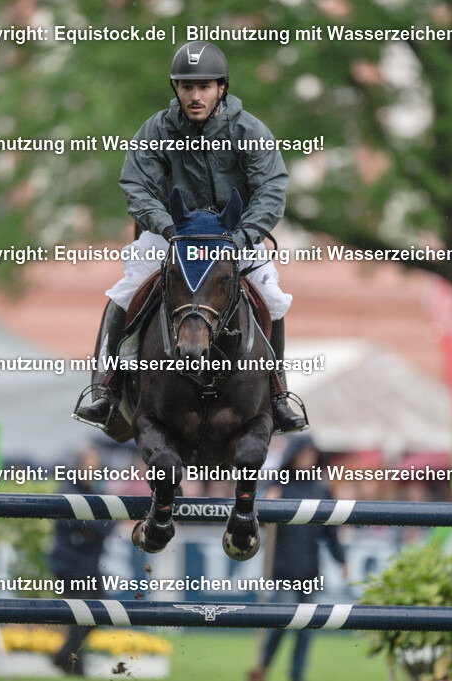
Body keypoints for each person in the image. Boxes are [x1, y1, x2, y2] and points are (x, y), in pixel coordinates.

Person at [74, 40, 306, 434]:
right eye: (186, 87)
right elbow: (136, 185)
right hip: (172, 234)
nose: (195, 96)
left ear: (222, 88)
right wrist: (166, 226)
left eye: (204, 87)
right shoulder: (157, 129)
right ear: (176, 90)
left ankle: (279, 394)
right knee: (123, 294)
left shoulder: (249, 130)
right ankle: (105, 389)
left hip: (233, 236)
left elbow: (271, 188)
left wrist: (246, 233)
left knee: (272, 298)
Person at [249, 435, 347, 681]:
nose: (307, 459)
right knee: (285, 622)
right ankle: (264, 665)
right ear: (293, 456)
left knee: (306, 630)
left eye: (311, 455)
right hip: (284, 567)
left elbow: (330, 531)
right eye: (304, 454)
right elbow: (256, 523)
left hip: (310, 568)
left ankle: (296, 676)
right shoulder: (279, 486)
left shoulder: (321, 488)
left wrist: (341, 560)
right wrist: (266, 505)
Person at [49, 447, 116, 675]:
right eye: (89, 466)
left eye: (95, 467)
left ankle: (66, 655)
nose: (93, 471)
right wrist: (94, 524)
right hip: (70, 564)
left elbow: (107, 523)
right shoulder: (67, 489)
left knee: (99, 613)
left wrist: (94, 525)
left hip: (89, 564)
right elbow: (79, 522)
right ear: (79, 467)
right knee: (82, 614)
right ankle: (73, 661)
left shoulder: (98, 491)